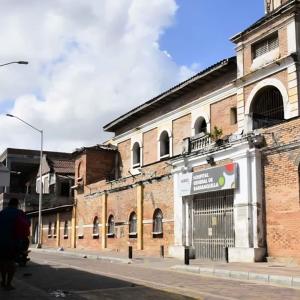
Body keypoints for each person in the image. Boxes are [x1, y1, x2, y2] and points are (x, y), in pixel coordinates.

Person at [0, 198, 30, 290]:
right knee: (11, 263)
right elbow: (27, 224)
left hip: (1, 243)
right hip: (13, 242)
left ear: (8, 204)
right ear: (17, 204)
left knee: (3, 263)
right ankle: (8, 284)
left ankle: (3, 281)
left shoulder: (1, 213)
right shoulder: (19, 213)